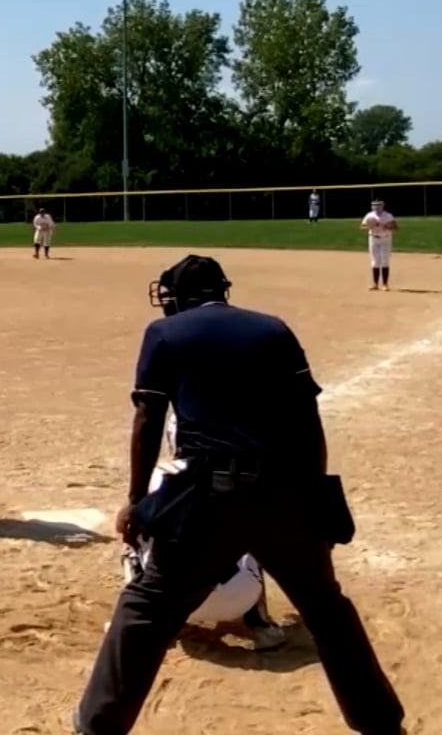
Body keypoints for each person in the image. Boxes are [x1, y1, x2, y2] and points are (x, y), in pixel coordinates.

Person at [73, 254, 404, 735]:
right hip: (287, 491)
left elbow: (148, 418)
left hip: (210, 496)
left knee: (147, 606)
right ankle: (382, 725)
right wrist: (313, 494)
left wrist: (136, 499)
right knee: (327, 609)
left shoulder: (164, 333)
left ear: (178, 296)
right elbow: (308, 421)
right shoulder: (273, 329)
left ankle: (97, 726)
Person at [115, 408, 286, 652]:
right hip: (241, 596)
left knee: (132, 527)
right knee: (253, 531)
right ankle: (260, 625)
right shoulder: (246, 472)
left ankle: (144, 624)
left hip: (175, 599)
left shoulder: (160, 475)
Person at [358, 199, 397, 291]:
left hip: (385, 239)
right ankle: (375, 284)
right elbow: (362, 226)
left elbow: (396, 227)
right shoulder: (369, 215)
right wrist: (370, 226)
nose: (376, 207)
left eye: (379, 205)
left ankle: (385, 284)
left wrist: (387, 226)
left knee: (385, 261)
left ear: (383, 206)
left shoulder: (388, 215)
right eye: (374, 205)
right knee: (375, 261)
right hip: (373, 238)